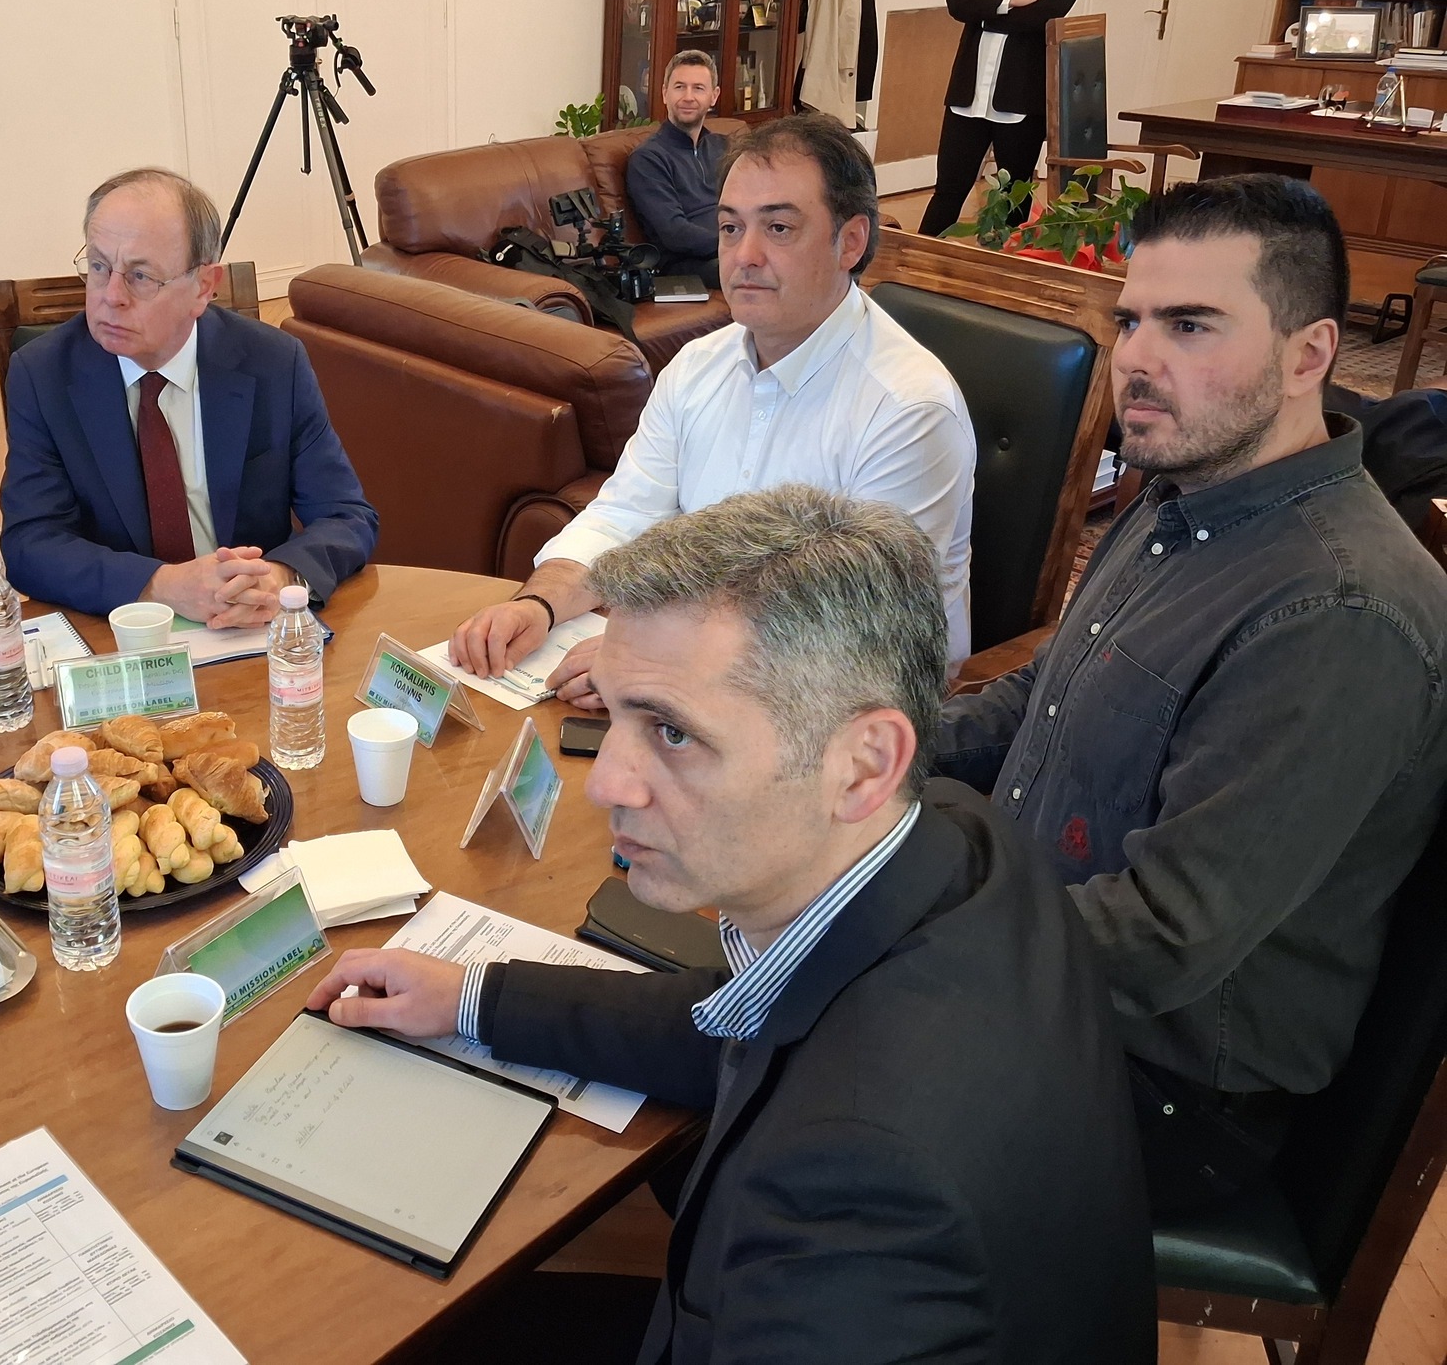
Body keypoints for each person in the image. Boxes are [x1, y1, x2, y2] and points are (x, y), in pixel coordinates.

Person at [311, 488, 1155, 1364]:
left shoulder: (858, 1196)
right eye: (620, 712)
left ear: (864, 764)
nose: (608, 785)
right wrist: (475, 997)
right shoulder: (953, 836)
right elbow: (747, 1017)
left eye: (673, 733)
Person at [934, 175, 1447, 1214]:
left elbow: (1163, 938)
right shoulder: (1186, 490)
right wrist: (859, 750)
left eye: (1190, 325)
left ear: (1308, 355)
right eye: (1131, 322)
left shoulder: (1338, 614)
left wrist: (911, 923)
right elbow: (1043, 697)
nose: (1136, 358)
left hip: (1165, 1091)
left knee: (778, 1094)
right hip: (1046, 959)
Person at [450, 114, 975, 693]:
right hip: (703, 665)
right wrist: (539, 605)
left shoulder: (908, 409)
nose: (744, 254)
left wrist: (655, 660)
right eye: (730, 227)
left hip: (849, 703)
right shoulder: (698, 365)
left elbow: (861, 633)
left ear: (850, 242)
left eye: (778, 228)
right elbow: (626, 515)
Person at [0, 168, 377, 623]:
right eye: (98, 267)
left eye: (140, 276)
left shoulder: (274, 363)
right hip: (122, 627)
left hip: (246, 623)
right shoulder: (43, 374)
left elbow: (346, 516)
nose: (111, 296)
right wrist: (160, 585)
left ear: (204, 286)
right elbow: (30, 542)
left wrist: (279, 577)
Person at [916, 0, 1090, 237]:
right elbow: (957, 4)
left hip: (1020, 95)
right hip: (969, 92)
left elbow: (1044, 15)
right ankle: (915, 262)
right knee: (948, 190)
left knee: (1013, 199)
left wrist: (986, 5)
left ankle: (1003, 267)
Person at [624, 50, 726, 273]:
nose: (688, 97)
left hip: (733, 252)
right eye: (680, 87)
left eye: (698, 88)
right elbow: (675, 233)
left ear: (714, 96)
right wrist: (733, 245)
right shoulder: (648, 159)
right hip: (688, 264)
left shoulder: (724, 147)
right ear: (665, 94)